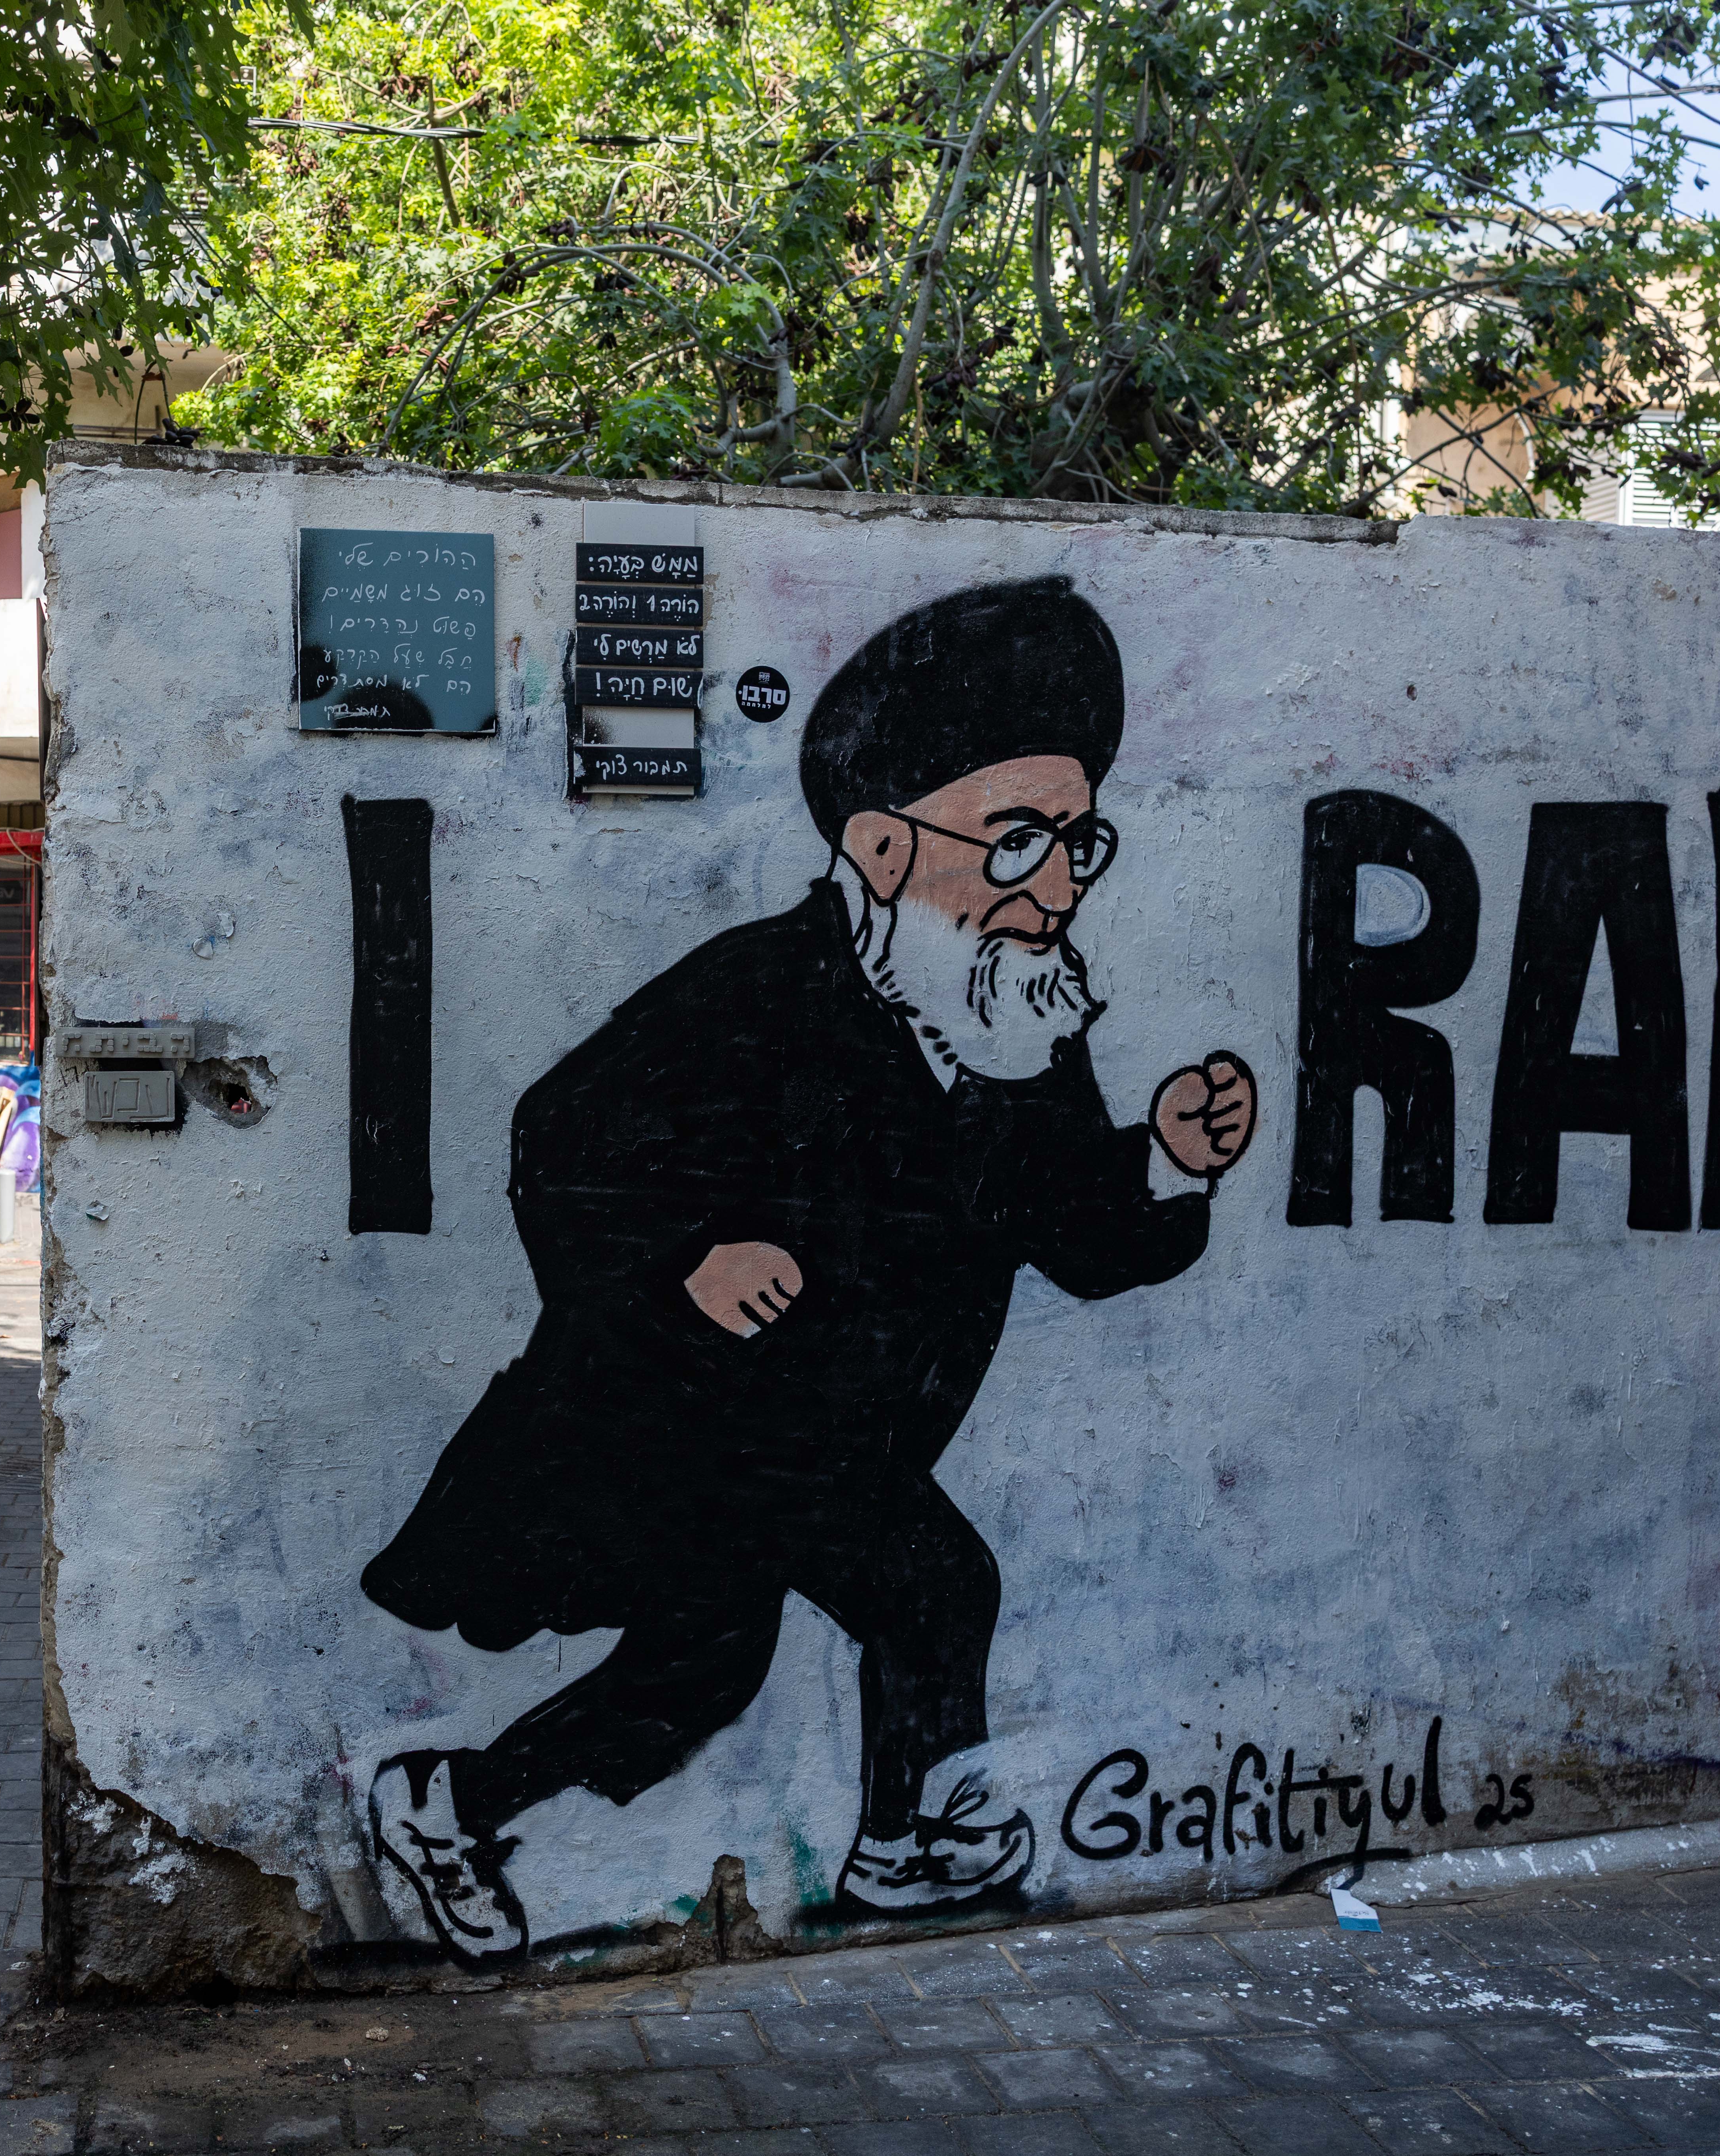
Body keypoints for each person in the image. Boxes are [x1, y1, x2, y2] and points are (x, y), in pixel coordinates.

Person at [359, 576, 1258, 1963]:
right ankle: (468, 1800)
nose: (1060, 887)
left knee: (879, 1605)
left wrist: (1167, 1162)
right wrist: (688, 1263)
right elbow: (559, 1138)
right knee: (739, 1656)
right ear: (885, 847)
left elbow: (1079, 1232)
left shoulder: (1025, 1023)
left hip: (837, 1439)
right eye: (1019, 843)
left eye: (1080, 845)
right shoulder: (757, 992)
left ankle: (885, 1843)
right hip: (688, 1420)